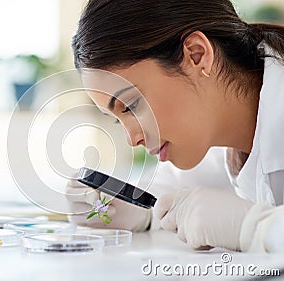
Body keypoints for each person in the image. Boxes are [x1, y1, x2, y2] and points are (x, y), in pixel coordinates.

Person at [65, 0, 284, 252]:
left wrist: (257, 228)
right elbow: (176, 184)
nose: (132, 139)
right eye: (117, 119)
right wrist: (140, 210)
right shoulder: (217, 135)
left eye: (131, 105)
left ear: (196, 54)